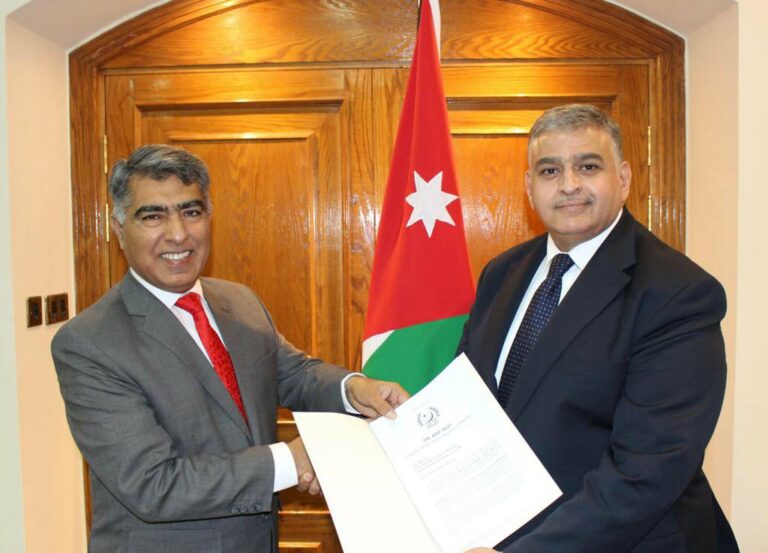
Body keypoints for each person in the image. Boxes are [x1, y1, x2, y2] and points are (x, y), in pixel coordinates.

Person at [52, 144, 409, 553]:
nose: (178, 234)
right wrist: (291, 461)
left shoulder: (239, 301)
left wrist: (353, 389)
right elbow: (153, 485)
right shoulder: (90, 343)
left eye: (191, 211)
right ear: (119, 229)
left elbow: (291, 373)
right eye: (153, 216)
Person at [461, 105, 738, 552]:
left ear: (623, 179)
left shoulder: (677, 293)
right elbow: (472, 405)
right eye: (550, 170)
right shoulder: (502, 273)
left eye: (588, 166)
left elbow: (647, 471)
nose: (569, 184)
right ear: (530, 187)